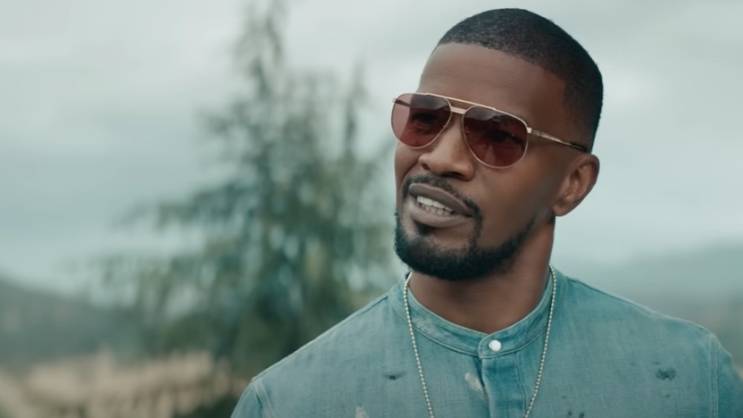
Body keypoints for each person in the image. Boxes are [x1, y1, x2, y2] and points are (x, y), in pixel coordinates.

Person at [232, 8, 743, 418]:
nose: (440, 158)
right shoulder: (289, 402)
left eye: (498, 136)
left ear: (571, 184)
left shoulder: (689, 380)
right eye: (425, 119)